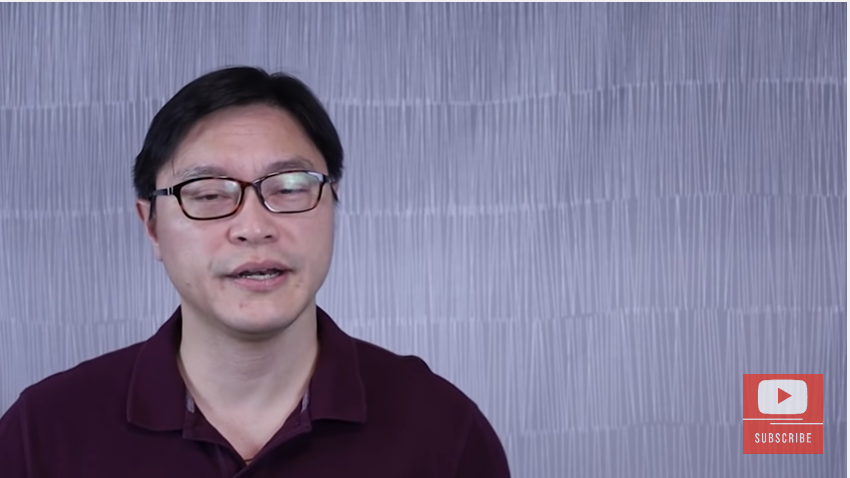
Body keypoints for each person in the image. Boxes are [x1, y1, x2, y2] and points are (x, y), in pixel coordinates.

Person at [0, 66, 511, 477]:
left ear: (332, 204)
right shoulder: (43, 432)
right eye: (207, 194)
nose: (253, 226)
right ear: (151, 226)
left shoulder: (442, 430)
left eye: (289, 187)